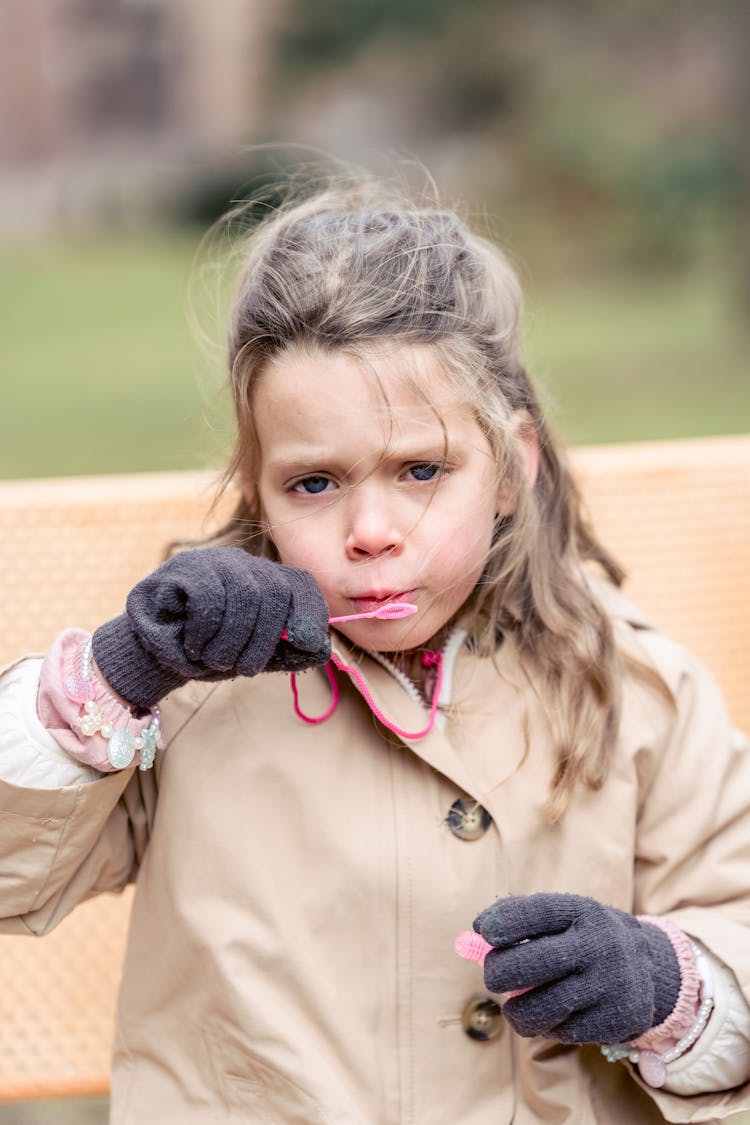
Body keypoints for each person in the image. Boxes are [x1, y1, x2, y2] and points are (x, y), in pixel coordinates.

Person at [1, 173, 749, 1124]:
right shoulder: (186, 693)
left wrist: (671, 989)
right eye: (314, 482)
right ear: (259, 490)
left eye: (421, 470)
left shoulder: (640, 693)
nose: (370, 529)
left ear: (512, 467)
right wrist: (120, 675)